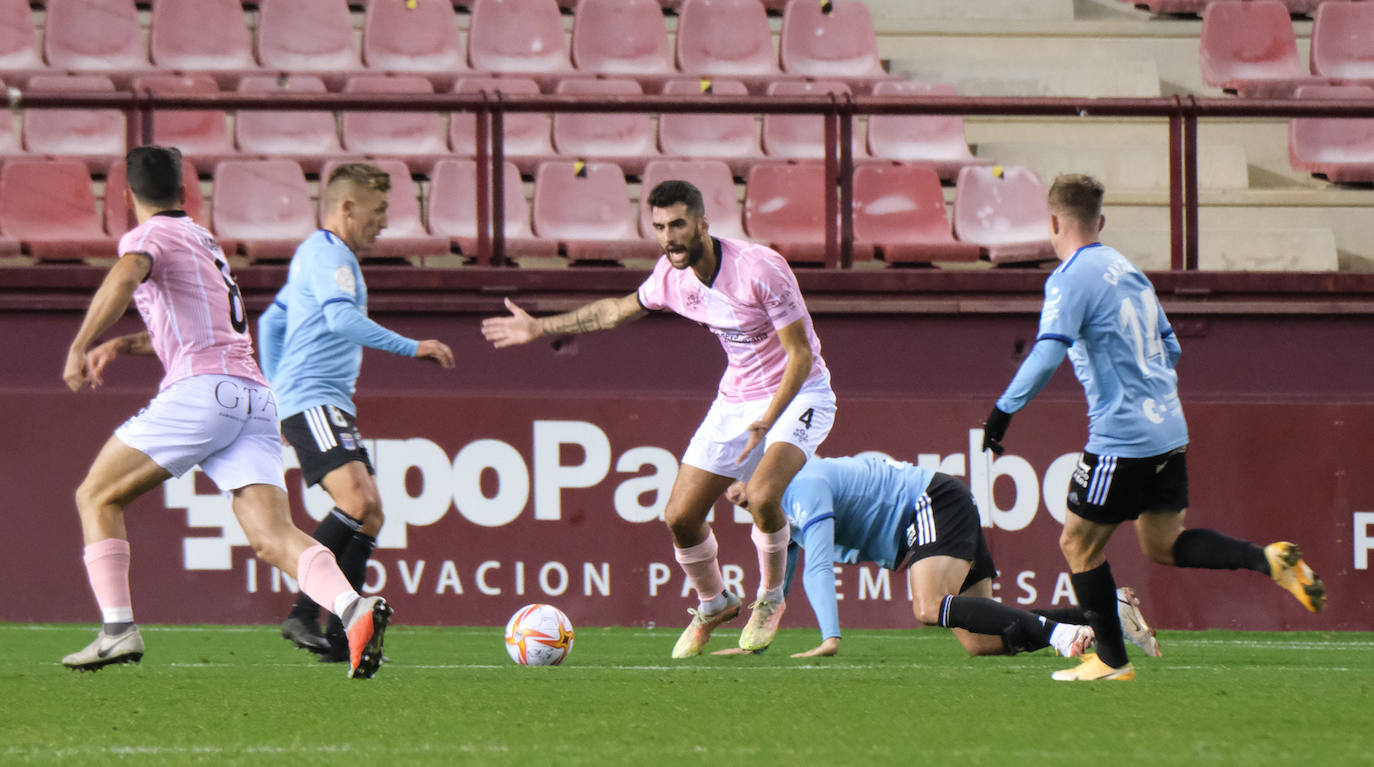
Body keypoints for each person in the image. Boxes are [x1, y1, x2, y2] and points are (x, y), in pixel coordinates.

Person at [60, 146, 392, 679]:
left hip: (202, 392)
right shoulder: (202, 239)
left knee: (95, 494)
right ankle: (353, 610)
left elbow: (126, 274)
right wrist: (123, 346)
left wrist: (81, 343)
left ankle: (117, 631)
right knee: (271, 535)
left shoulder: (146, 238)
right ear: (186, 192)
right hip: (254, 397)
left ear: (126, 196)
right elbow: (192, 327)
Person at [980, 173, 1325, 682]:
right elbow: (1172, 346)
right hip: (1169, 431)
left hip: (1122, 439)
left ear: (1053, 221)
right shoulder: (1129, 271)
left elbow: (1047, 352)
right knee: (1162, 545)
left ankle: (1112, 661)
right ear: (1100, 221)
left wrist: (1002, 412)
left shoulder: (1070, 277)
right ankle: (1266, 559)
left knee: (1077, 544)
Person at [482, 180, 836, 657]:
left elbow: (797, 356)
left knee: (762, 495)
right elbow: (613, 313)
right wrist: (540, 327)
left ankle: (770, 598)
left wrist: (767, 421)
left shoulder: (761, 268)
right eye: (659, 227)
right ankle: (714, 603)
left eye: (678, 225)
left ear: (702, 225)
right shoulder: (672, 278)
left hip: (799, 394)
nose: (669, 237)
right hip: (736, 401)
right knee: (680, 517)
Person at [258, 163, 454, 662]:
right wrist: (414, 347)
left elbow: (271, 321)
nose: (384, 221)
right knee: (358, 504)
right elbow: (341, 319)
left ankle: (344, 639)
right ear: (347, 208)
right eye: (379, 209)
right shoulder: (330, 255)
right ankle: (303, 613)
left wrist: (279, 391)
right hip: (316, 399)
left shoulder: (313, 254)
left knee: (371, 513)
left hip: (320, 401)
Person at [718, 454, 1165, 660]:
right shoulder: (775, 513)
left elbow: (817, 566)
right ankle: (1106, 614)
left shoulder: (804, 485)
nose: (733, 493)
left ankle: (1060, 637)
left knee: (928, 608)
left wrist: (830, 638)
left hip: (931, 502)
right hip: (933, 509)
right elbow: (778, 585)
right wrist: (754, 644)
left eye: (739, 480)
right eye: (728, 486)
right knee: (982, 641)